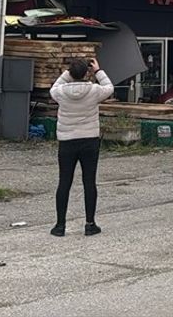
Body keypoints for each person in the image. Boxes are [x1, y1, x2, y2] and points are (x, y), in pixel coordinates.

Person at [49, 56, 114, 237]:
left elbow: (53, 87)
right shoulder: (94, 90)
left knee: (64, 182)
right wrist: (98, 71)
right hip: (89, 140)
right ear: (87, 73)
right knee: (89, 182)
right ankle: (90, 224)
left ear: (70, 73)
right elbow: (110, 87)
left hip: (67, 141)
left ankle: (60, 225)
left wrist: (68, 73)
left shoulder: (60, 92)